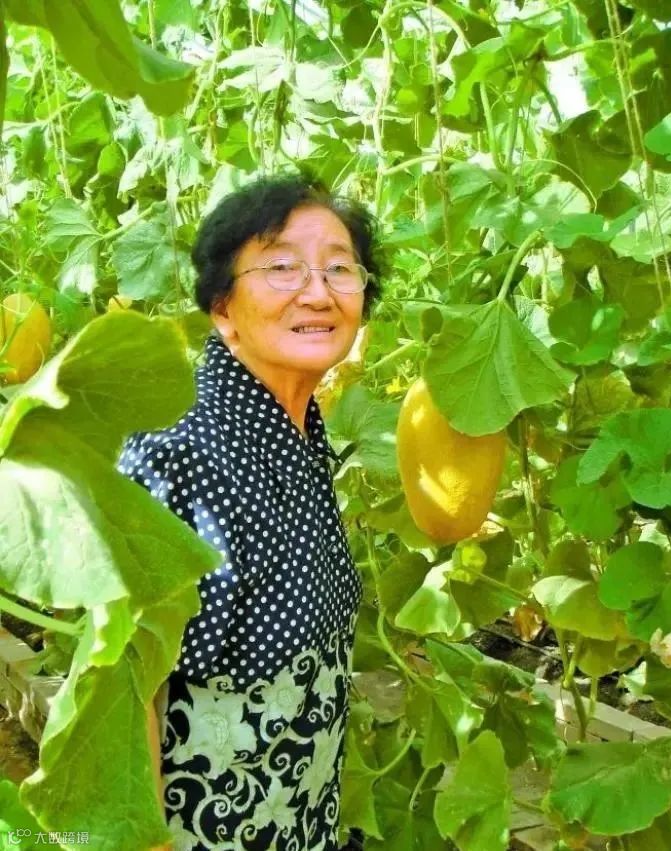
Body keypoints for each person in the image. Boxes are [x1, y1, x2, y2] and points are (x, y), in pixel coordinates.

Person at [117, 173, 382, 851]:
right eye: (282, 266)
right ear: (222, 306)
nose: (317, 292)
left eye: (339, 268)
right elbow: (122, 683)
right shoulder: (177, 449)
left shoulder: (298, 428)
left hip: (300, 820)